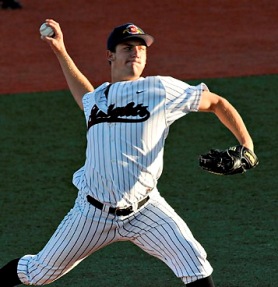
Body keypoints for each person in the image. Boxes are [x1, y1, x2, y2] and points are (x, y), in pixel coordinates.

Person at [0, 18, 256, 286]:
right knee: (38, 273)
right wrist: (60, 50)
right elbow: (83, 96)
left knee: (196, 265)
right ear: (110, 56)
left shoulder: (160, 89)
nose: (135, 52)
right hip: (91, 213)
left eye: (141, 48)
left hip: (146, 211)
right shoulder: (97, 99)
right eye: (127, 47)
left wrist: (247, 146)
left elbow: (216, 102)